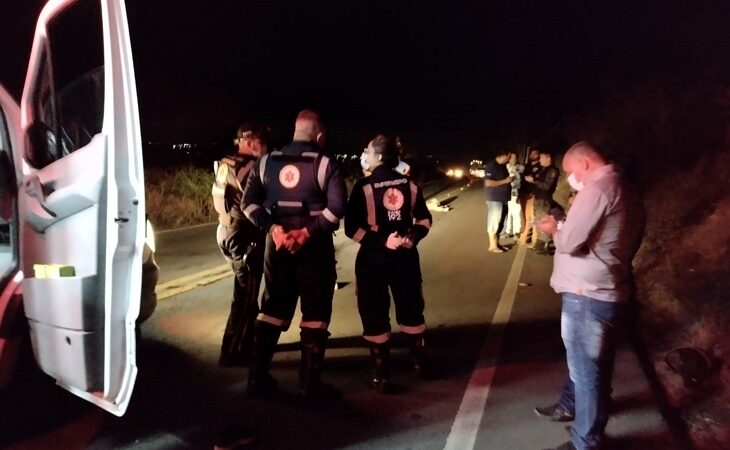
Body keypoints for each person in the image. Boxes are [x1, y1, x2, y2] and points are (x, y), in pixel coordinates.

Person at [534, 141, 644, 450]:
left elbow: (570, 241)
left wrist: (554, 229)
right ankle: (581, 415)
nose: (571, 178)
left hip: (587, 295)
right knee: (595, 366)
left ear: (583, 163)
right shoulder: (626, 188)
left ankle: (586, 441)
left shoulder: (597, 189)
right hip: (607, 289)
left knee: (586, 372)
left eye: (571, 171)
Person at [241, 110, 347, 402]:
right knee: (315, 312)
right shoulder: (325, 164)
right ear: (319, 135)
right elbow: (337, 208)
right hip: (315, 250)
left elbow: (248, 204)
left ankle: (256, 379)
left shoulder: (265, 162)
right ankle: (309, 386)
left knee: (272, 307)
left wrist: (274, 229)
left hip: (276, 248)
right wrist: (306, 233)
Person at [345, 134, 433, 393]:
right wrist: (412, 237)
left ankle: (381, 373)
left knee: (373, 311)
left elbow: (352, 229)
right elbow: (424, 220)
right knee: (411, 307)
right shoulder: (410, 184)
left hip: (372, 260)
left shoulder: (363, 187)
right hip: (406, 257)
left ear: (379, 156)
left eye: (368, 151)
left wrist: (382, 241)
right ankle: (420, 362)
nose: (365, 156)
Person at [212, 122, 269, 367]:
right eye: (260, 141)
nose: (264, 146)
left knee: (243, 290)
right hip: (243, 236)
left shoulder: (226, 162)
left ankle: (244, 342)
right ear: (247, 141)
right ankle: (233, 351)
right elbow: (257, 201)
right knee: (246, 296)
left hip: (226, 230)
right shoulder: (248, 167)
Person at [524, 150, 559, 254]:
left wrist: (533, 180)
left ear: (548, 158)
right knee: (539, 221)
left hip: (544, 200)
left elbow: (547, 186)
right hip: (538, 198)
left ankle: (545, 245)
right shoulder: (543, 170)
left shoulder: (552, 171)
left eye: (542, 158)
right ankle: (540, 244)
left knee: (544, 221)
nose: (540, 160)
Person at [483, 150, 513, 253]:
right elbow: (488, 182)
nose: (509, 159)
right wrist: (505, 181)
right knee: (494, 221)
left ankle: (497, 244)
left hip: (503, 198)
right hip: (494, 198)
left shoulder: (502, 166)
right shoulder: (491, 166)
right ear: (505, 155)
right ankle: (492, 245)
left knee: (500, 223)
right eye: (509, 157)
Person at [518, 147, 541, 245]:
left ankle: (534, 238)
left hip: (533, 194)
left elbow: (540, 182)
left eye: (535, 153)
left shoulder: (540, 166)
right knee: (525, 216)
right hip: (524, 193)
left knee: (532, 216)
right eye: (532, 153)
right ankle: (527, 235)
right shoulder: (527, 166)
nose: (533, 155)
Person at [504, 152, 524, 240]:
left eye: (515, 158)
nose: (514, 159)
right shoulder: (505, 167)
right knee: (509, 213)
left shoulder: (520, 167)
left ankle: (516, 232)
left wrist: (513, 171)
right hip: (506, 193)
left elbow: (518, 179)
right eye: (512, 158)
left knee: (516, 212)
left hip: (515, 192)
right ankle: (507, 231)